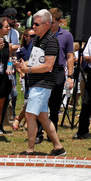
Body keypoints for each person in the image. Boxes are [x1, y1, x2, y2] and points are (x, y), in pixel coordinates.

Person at [15, 9, 65, 156]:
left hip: (44, 83)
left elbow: (48, 66)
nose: (33, 27)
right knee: (43, 116)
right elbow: (36, 61)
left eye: (36, 24)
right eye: (32, 24)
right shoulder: (37, 39)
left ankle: (30, 149)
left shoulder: (51, 41)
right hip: (36, 82)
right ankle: (58, 147)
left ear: (47, 24)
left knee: (30, 115)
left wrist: (28, 70)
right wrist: (23, 65)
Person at [47, 9, 76, 132]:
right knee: (40, 102)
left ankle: (52, 131)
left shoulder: (67, 36)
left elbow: (70, 57)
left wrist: (70, 76)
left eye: (52, 22)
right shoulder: (43, 33)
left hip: (58, 71)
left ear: (60, 21)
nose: (49, 25)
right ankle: (38, 133)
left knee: (54, 104)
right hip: (43, 71)